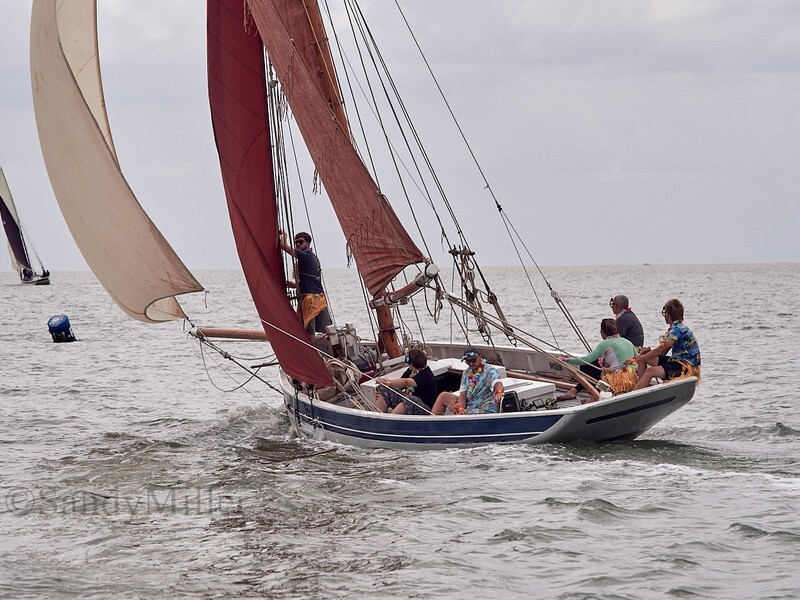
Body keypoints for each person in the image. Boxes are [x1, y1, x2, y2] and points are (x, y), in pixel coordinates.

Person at [627, 298, 701, 391]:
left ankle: (635, 394)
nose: (664, 316)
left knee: (650, 371)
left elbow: (660, 350)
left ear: (668, 314)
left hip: (685, 366)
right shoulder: (675, 328)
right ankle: (643, 388)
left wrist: (636, 359)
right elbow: (662, 353)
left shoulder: (678, 330)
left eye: (664, 313)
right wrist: (645, 354)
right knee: (645, 358)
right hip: (676, 361)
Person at [557, 318, 636, 403]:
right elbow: (637, 358)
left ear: (602, 332)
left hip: (618, 383)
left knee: (587, 366)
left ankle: (592, 397)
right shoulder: (628, 342)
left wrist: (565, 360)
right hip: (632, 379)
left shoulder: (606, 343)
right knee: (597, 365)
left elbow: (587, 360)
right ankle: (576, 392)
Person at [278, 230, 333, 333]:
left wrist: (284, 235)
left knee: (307, 330)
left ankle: (309, 348)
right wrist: (293, 285)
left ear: (307, 244)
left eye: (300, 242)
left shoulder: (305, 255)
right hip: (320, 299)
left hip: (310, 300)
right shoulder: (312, 257)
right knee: (327, 330)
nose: (298, 244)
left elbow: (283, 245)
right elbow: (310, 280)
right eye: (296, 242)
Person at [431, 348, 504, 415]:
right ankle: (432, 424)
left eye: (473, 360)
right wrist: (461, 409)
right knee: (444, 396)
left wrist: (499, 393)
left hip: (484, 406)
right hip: (469, 405)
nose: (471, 364)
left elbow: (498, 384)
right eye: (468, 362)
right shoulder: (466, 373)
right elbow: (462, 396)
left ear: (480, 357)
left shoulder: (490, 370)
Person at [373, 348, 437, 415]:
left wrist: (385, 381)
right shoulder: (411, 370)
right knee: (383, 388)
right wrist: (379, 389)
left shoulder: (426, 375)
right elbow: (398, 385)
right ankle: (380, 417)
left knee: (410, 399)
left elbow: (405, 382)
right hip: (409, 403)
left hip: (424, 409)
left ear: (412, 365)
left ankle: (391, 421)